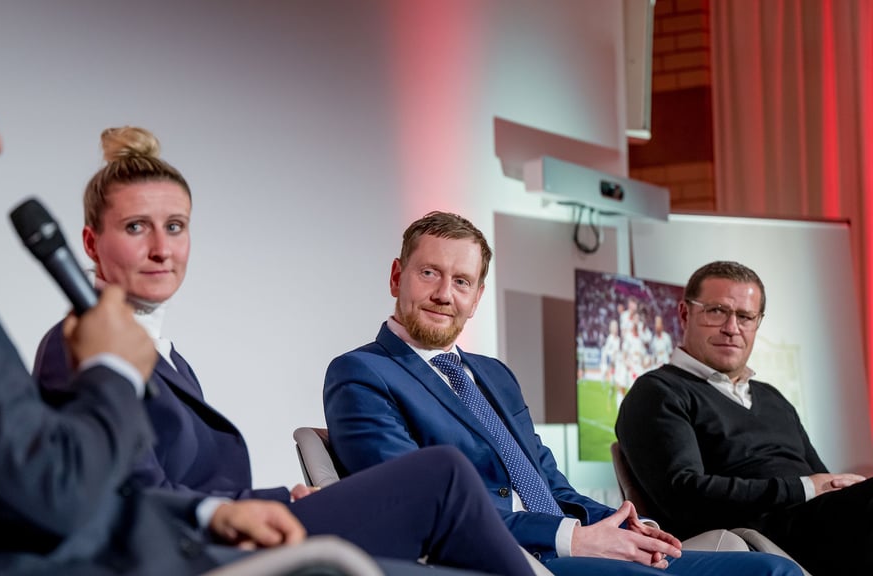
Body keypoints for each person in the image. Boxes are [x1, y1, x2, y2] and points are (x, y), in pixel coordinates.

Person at [0, 3, 531, 574]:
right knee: (439, 480)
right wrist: (114, 367)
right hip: (158, 558)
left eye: (175, 226)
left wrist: (228, 504)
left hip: (185, 534)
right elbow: (62, 491)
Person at [32, 126, 538, 575]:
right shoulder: (76, 347)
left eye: (176, 226)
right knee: (442, 474)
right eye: (136, 227)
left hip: (230, 532)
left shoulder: (170, 360)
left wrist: (275, 498)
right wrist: (235, 511)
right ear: (92, 243)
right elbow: (123, 497)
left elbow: (197, 486)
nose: (162, 249)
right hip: (191, 553)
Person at [323, 212, 802, 576]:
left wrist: (620, 524)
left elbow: (548, 483)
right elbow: (420, 506)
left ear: (476, 297)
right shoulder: (363, 374)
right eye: (429, 273)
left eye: (462, 281)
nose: (444, 294)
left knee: (773, 570)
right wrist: (576, 539)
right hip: (500, 560)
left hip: (566, 547)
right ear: (395, 277)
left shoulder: (493, 375)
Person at [616, 260, 873, 575]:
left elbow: (823, 480)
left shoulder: (772, 397)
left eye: (745, 316)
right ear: (685, 313)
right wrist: (803, 488)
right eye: (717, 311)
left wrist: (841, 487)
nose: (731, 328)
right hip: (760, 537)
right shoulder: (658, 392)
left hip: (822, 523)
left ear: (757, 322)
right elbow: (684, 494)